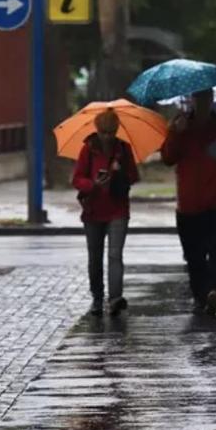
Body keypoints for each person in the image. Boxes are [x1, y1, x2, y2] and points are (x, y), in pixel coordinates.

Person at [161, 89, 216, 315]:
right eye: (198, 98)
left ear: (211, 100)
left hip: (215, 200)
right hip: (190, 202)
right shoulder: (181, 127)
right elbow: (167, 157)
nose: (202, 102)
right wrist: (175, 133)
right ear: (192, 100)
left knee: (214, 248)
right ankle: (201, 295)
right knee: (194, 254)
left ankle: (214, 291)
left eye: (206, 98)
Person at [72, 109, 140, 317]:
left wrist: (120, 174)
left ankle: (115, 299)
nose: (108, 136)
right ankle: (97, 297)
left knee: (115, 255)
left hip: (118, 209)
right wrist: (93, 184)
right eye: (104, 132)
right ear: (98, 130)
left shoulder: (124, 149)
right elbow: (76, 179)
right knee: (95, 257)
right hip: (93, 210)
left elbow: (134, 177)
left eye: (111, 132)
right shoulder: (88, 150)